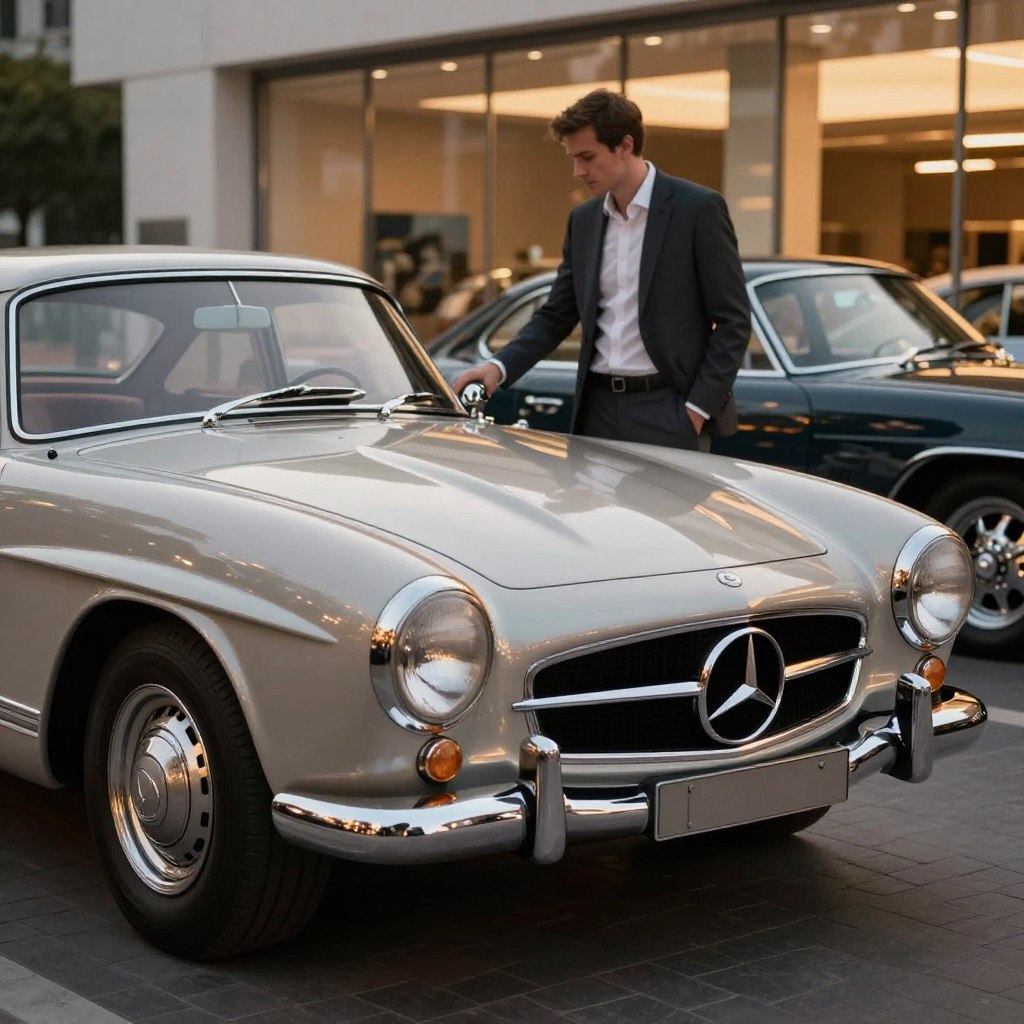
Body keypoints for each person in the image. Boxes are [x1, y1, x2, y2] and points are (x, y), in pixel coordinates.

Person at [452, 89, 750, 452]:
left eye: (587, 157)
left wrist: (696, 410)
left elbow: (733, 320)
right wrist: (498, 367)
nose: (578, 172)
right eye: (573, 159)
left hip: (668, 409)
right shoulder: (584, 220)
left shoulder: (697, 209)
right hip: (597, 409)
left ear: (625, 145)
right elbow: (557, 315)